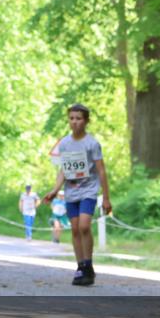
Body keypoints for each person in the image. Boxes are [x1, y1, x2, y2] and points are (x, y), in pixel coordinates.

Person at [43, 104, 112, 286]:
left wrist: (106, 197)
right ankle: (81, 266)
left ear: (86, 121)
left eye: (79, 118)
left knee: (83, 226)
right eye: (71, 118)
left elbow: (101, 171)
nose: (75, 122)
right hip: (71, 192)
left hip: (88, 190)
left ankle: (88, 264)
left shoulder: (92, 143)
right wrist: (55, 189)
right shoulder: (65, 143)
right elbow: (63, 170)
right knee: (74, 229)